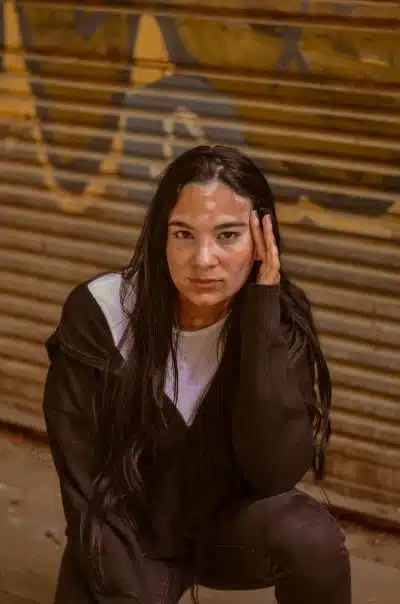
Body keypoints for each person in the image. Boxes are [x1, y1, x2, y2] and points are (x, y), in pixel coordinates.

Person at [43, 145, 351, 604]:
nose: (204, 259)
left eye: (228, 235)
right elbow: (83, 485)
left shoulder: (277, 321)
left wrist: (263, 312)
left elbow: (272, 474)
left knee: (312, 538)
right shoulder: (100, 314)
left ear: (262, 242)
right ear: (159, 239)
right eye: (183, 235)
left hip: (220, 529)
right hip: (122, 535)